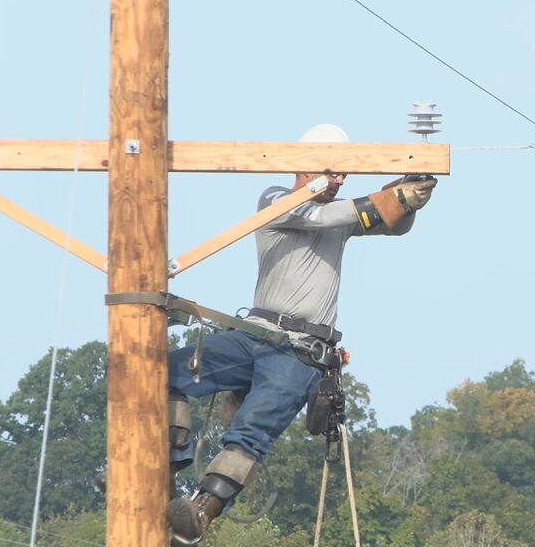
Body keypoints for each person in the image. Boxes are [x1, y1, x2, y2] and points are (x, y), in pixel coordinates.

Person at [163, 123, 438, 544]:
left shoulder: (341, 218)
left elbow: (393, 226)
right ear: (302, 167)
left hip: (300, 354)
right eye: (331, 171)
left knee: (251, 431)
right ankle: (160, 466)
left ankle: (202, 510)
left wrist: (408, 198)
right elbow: (319, 213)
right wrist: (388, 198)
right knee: (167, 372)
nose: (339, 181)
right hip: (255, 333)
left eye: (345, 174)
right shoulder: (275, 200)